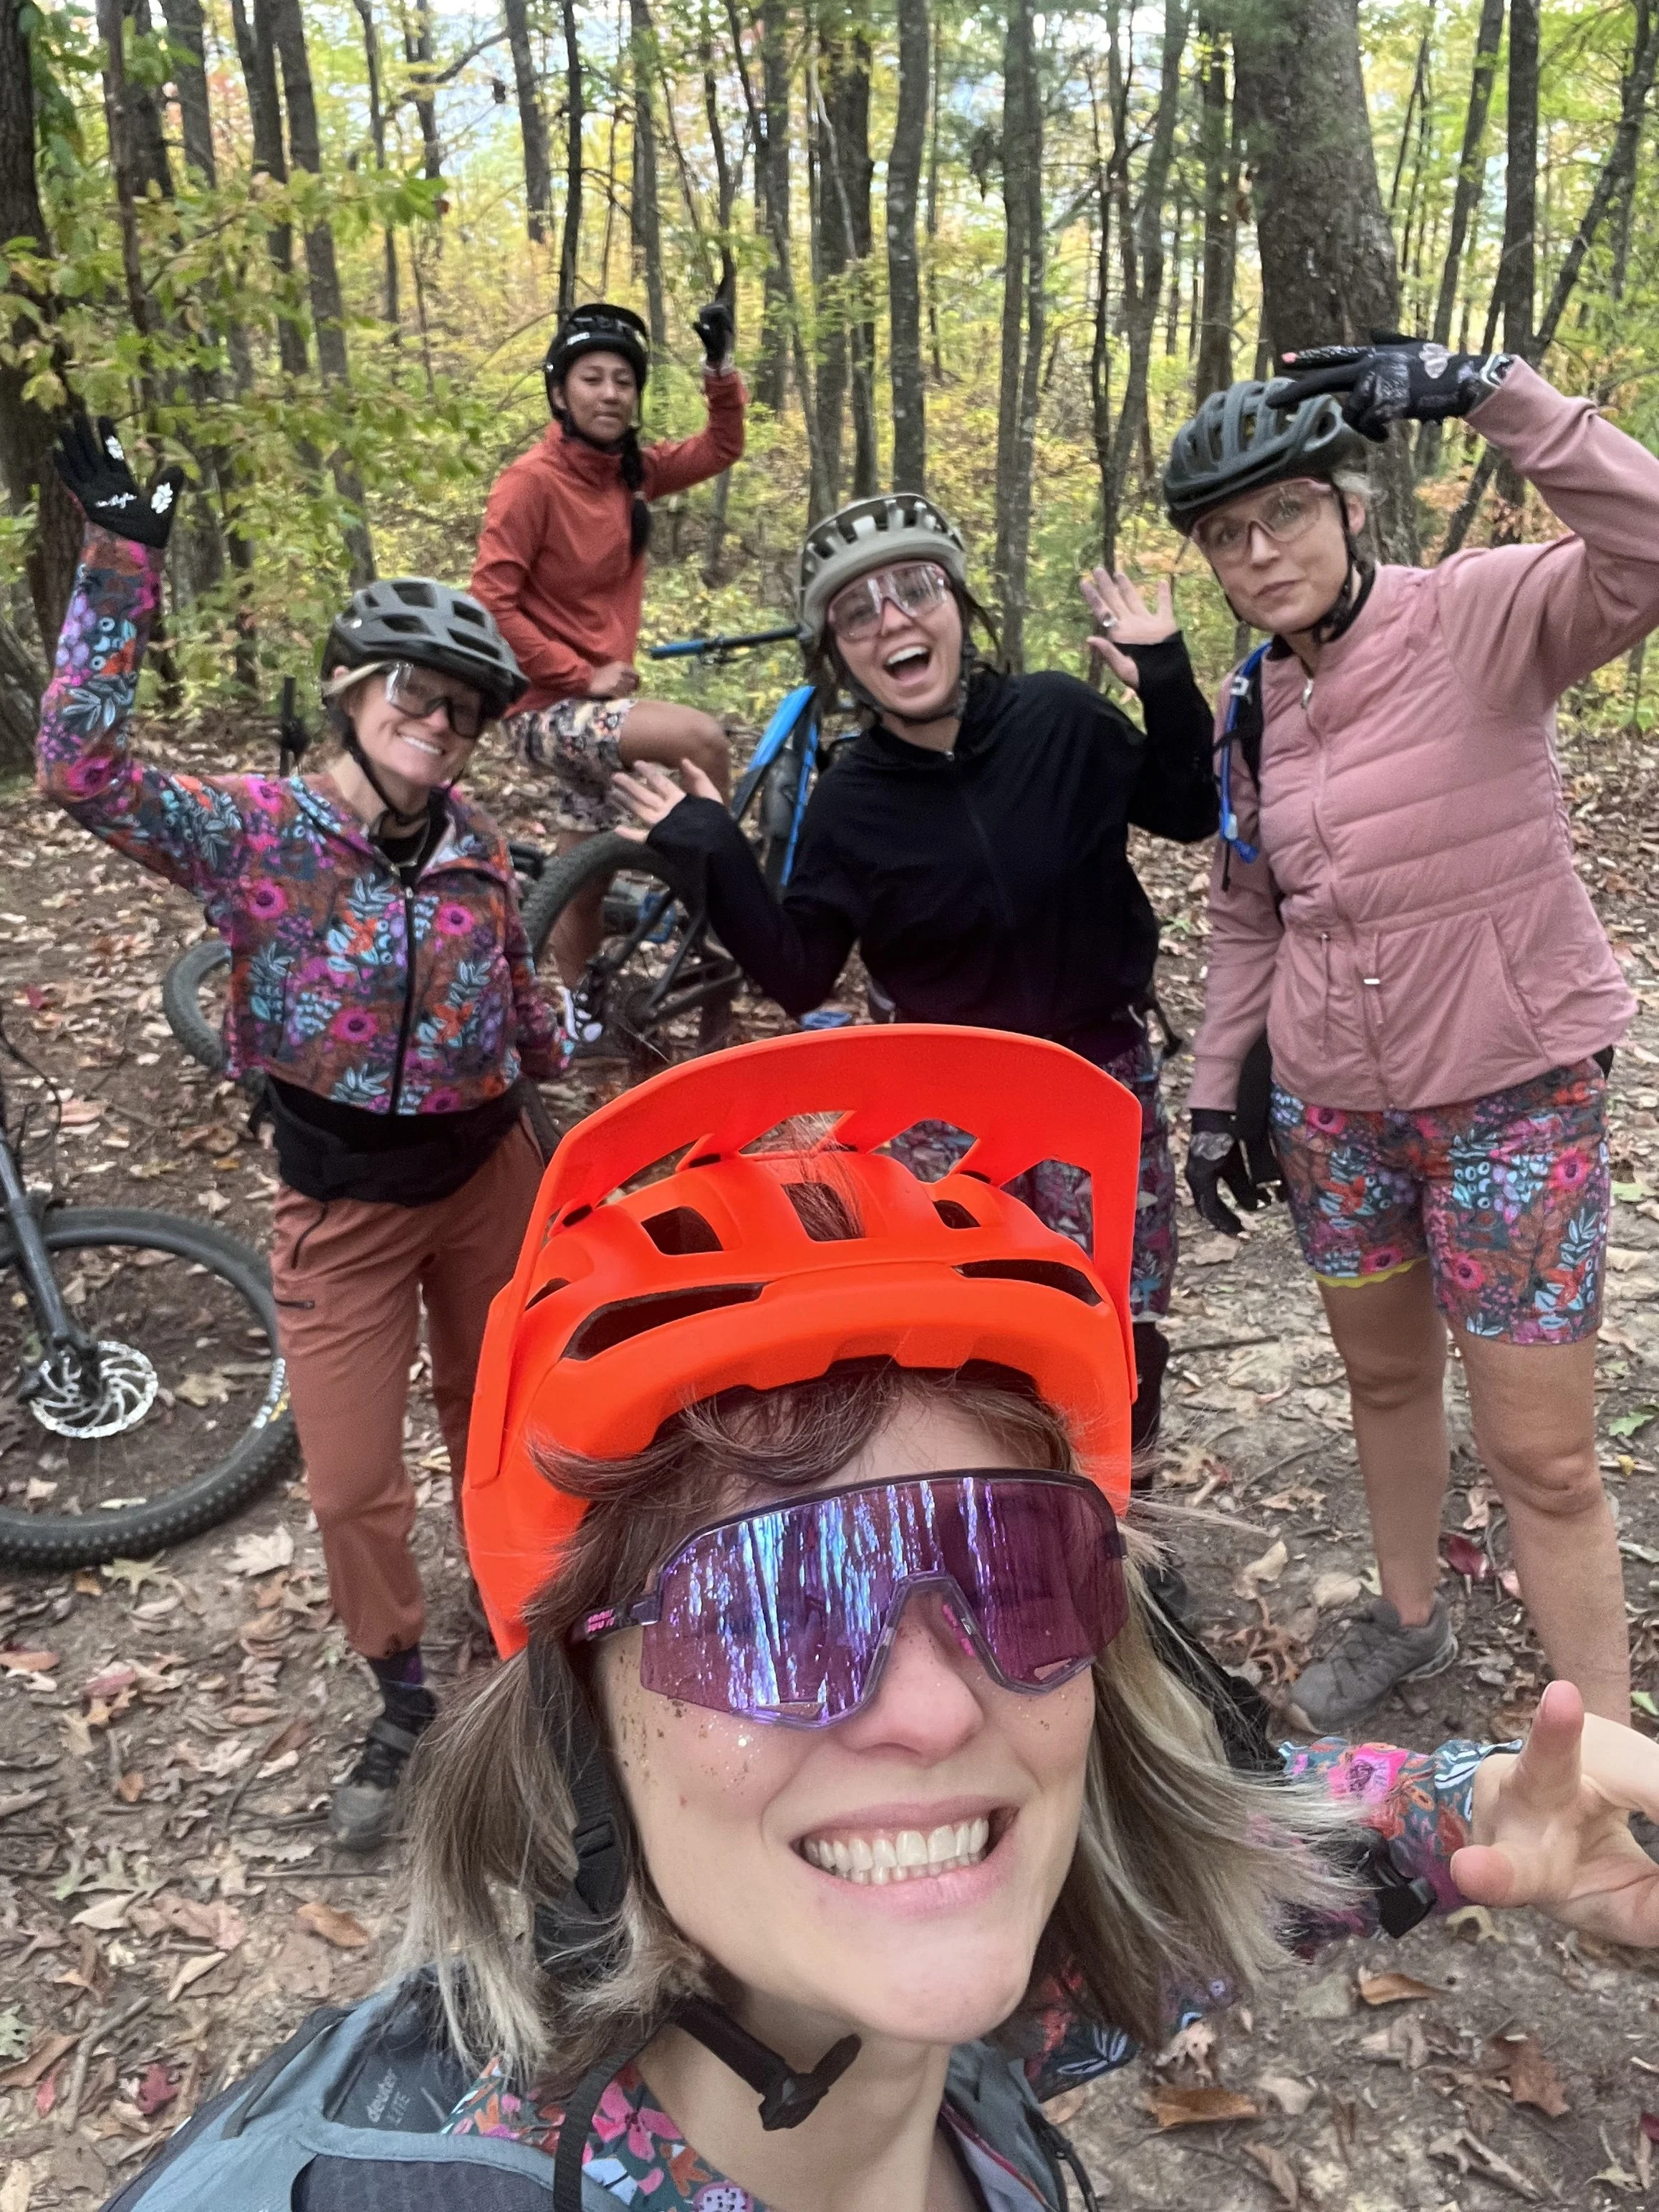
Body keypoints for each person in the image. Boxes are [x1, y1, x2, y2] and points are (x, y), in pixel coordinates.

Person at [99, 1029, 1659, 2212]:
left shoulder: (959, 2017)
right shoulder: (354, 2176)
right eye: (773, 1611)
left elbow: (1187, 1902)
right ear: (573, 1704)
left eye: (1014, 1570)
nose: (930, 1709)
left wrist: (1476, 1813)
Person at [40, 413, 566, 1850]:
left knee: (504, 1427)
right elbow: (79, 774)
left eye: (465, 705)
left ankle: (528, 1647)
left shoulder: (480, 844)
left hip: (489, 1177)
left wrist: (557, 1050)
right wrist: (119, 562)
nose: (441, 720)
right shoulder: (255, 830)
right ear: (351, 690)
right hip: (338, 1203)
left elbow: (516, 983)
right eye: (415, 690)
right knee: (348, 1479)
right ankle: (403, 1690)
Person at [1168, 335, 1659, 1731]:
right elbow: (1248, 916)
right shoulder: (1249, 709)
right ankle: (1406, 1617)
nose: (1259, 552)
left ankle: (1606, 1753)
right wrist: (1219, 1098)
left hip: (1515, 1098)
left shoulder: (1481, 614)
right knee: (1385, 1376)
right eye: (1226, 535)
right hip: (1337, 1113)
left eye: (1285, 513)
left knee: (1548, 1458)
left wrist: (1491, 390)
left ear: (1349, 505)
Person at [612, 491, 1218, 1468]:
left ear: (958, 607)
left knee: (1122, 1323)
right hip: (943, 1108)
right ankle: (1004, 1532)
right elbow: (798, 966)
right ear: (840, 654)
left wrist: (1167, 679)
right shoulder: (852, 801)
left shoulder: (1060, 719)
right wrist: (715, 851)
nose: (892, 617)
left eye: (914, 588)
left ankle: (1121, 1536)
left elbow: (1190, 810)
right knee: (971, 1337)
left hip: (1097, 1077)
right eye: (858, 611)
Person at [471, 302, 746, 984]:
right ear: (560, 392)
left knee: (582, 876)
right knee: (703, 741)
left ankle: (580, 1012)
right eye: (592, 378)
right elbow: (490, 600)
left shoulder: (629, 474)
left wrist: (719, 370)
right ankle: (729, 913)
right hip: (542, 708)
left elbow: (721, 447)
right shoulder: (529, 482)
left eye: (624, 381)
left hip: (589, 715)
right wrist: (576, 672)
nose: (610, 393)